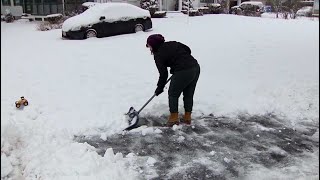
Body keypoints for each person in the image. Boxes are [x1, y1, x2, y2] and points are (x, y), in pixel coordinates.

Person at [146, 34, 200, 127]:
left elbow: (163, 74)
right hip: (195, 67)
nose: (148, 48)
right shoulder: (173, 43)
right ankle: (187, 117)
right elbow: (188, 49)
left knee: (173, 94)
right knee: (188, 94)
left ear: (153, 45)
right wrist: (179, 60)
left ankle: (174, 119)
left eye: (149, 45)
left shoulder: (158, 55)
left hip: (183, 71)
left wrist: (160, 87)